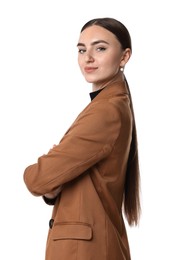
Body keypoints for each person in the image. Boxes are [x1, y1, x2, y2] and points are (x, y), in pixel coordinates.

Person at [23, 17, 141, 260]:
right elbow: (52, 183)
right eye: (81, 49)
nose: (88, 57)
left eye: (100, 48)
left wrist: (42, 174)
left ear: (124, 57)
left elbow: (37, 179)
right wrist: (52, 187)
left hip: (85, 251)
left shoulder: (106, 111)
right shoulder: (109, 105)